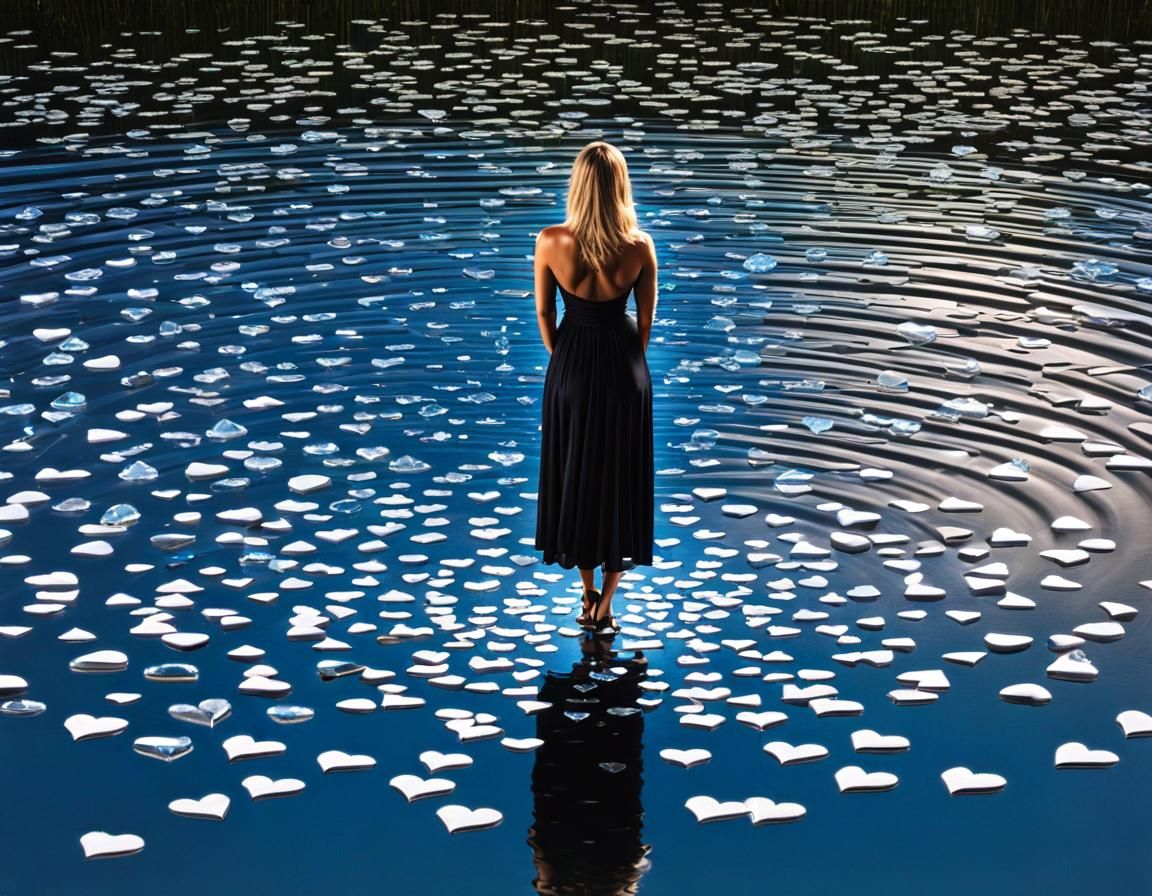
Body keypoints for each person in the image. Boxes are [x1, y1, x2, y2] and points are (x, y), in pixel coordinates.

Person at [533, 140, 657, 636]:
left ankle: (584, 591)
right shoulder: (639, 247)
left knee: (576, 473)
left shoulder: (550, 241)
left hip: (572, 366)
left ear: (578, 186)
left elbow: (545, 313)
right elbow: (645, 323)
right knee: (619, 479)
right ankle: (607, 601)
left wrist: (562, 358)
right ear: (620, 186)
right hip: (624, 368)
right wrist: (627, 363)